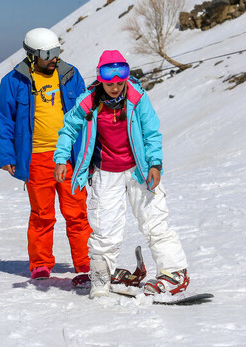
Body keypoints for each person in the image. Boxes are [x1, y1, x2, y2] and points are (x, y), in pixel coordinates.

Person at [53, 50, 189, 298]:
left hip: (140, 171)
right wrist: (62, 157)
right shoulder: (90, 100)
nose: (115, 87)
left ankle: (173, 272)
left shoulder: (137, 98)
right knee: (105, 228)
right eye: (109, 83)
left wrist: (155, 164)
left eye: (119, 82)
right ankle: (101, 278)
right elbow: (69, 127)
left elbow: (151, 132)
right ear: (100, 79)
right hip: (106, 173)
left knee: (154, 220)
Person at [0, 28, 91, 280]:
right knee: (41, 215)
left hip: (69, 156)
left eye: (57, 51)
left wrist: (89, 152)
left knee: (77, 213)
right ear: (32, 55)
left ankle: (85, 263)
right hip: (36, 157)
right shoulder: (13, 81)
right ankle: (41, 263)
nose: (54, 58)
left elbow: (86, 115)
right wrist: (7, 156)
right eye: (48, 54)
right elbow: (5, 120)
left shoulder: (71, 75)